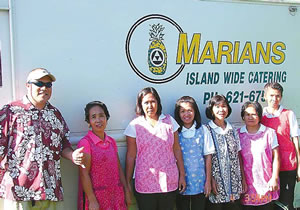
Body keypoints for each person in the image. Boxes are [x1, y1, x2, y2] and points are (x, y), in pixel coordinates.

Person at [0, 68, 85, 210]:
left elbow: (63, 143)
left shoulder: (55, 114)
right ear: (28, 85)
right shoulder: (10, 111)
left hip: (50, 189)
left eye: (48, 85)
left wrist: (73, 155)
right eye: (39, 84)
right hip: (19, 191)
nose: (44, 88)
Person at [125, 87, 186, 210]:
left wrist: (182, 175)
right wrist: (127, 183)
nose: (150, 106)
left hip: (168, 180)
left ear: (158, 102)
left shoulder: (169, 122)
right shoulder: (134, 125)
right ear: (140, 105)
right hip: (145, 181)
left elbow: (177, 149)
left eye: (153, 101)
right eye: (146, 102)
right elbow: (131, 156)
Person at [77, 101, 130, 210]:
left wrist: (126, 191)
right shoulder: (86, 143)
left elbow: (119, 168)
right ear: (89, 122)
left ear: (106, 118)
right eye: (93, 117)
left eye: (101, 116)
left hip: (116, 196)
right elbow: (84, 174)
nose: (98, 120)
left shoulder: (111, 141)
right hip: (97, 199)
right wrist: (92, 200)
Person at [261, 82, 300, 210]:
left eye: (277, 96)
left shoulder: (289, 114)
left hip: (287, 166)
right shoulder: (260, 115)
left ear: (281, 97)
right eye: (271, 95)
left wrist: (299, 167)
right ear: (265, 96)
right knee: (268, 203)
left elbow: (295, 141)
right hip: (267, 168)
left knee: (285, 204)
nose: (274, 99)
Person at [205, 94, 246, 210]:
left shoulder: (233, 129)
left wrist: (242, 178)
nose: (221, 109)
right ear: (211, 110)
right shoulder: (206, 129)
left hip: (234, 183)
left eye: (224, 106)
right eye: (217, 106)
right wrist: (210, 180)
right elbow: (206, 158)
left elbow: (238, 156)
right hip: (217, 184)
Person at [174, 96, 215, 210]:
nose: (186, 114)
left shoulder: (203, 130)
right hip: (181, 181)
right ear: (178, 114)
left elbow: (208, 157)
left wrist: (208, 181)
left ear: (195, 112)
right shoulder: (175, 132)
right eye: (182, 111)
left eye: (190, 110)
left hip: (200, 181)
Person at [238, 101, 280, 210]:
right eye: (247, 114)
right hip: (247, 183)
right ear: (243, 116)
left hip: (266, 182)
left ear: (259, 116)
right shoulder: (238, 134)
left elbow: (276, 157)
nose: (250, 117)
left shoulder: (269, 133)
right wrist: (242, 180)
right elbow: (239, 160)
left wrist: (274, 178)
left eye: (254, 114)